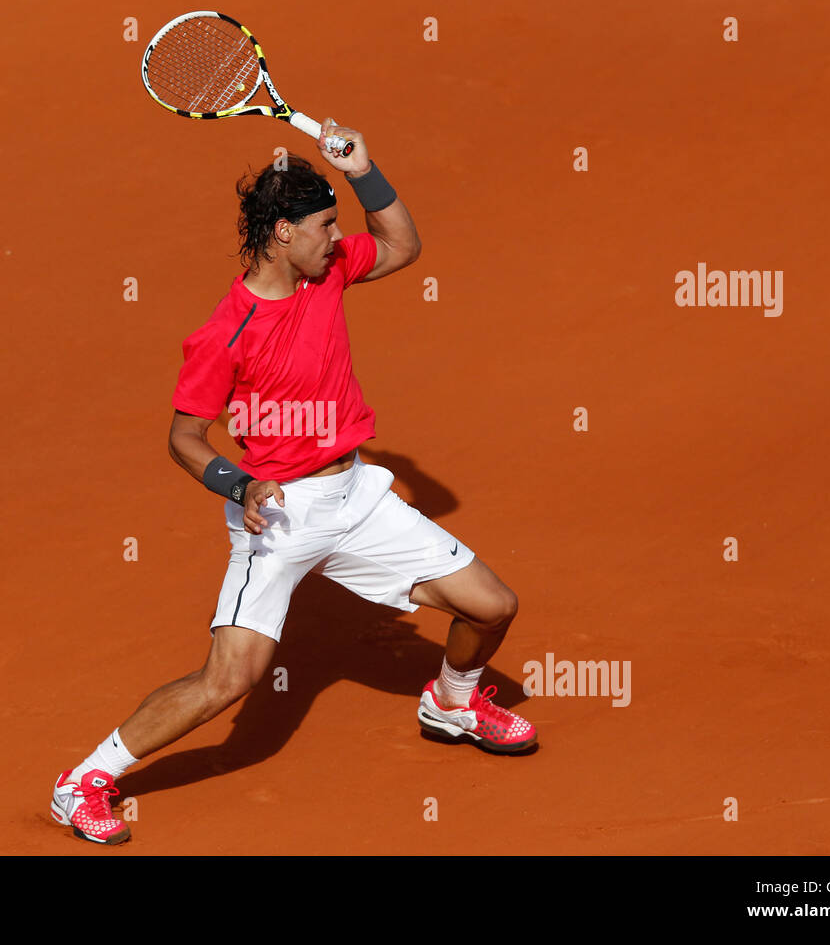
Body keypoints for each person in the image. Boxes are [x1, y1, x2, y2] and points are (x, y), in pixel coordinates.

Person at [51, 120, 536, 845]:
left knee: (492, 605)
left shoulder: (327, 273)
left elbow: (404, 245)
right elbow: (185, 438)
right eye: (324, 226)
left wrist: (365, 171)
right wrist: (239, 485)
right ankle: (84, 780)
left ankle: (452, 702)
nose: (337, 239)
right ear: (281, 232)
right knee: (230, 680)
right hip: (278, 516)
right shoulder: (225, 334)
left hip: (358, 499)